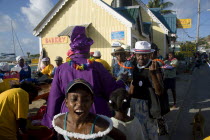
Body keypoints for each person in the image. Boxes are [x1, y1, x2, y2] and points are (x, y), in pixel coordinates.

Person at [42, 26, 127, 128]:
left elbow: (54, 98)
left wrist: (51, 121)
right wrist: (122, 80)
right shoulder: (97, 66)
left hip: (69, 117)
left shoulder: (61, 69)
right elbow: (112, 90)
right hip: (97, 117)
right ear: (88, 48)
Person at [53, 78, 126, 140]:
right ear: (66, 102)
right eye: (74, 99)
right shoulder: (60, 122)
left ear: (91, 102)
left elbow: (122, 137)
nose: (80, 104)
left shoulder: (100, 126)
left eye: (86, 100)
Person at [129, 41, 164, 140]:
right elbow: (133, 84)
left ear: (150, 55)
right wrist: (128, 97)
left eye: (144, 55)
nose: (141, 57)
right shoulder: (135, 66)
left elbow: (159, 91)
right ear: (135, 54)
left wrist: (152, 73)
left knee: (150, 134)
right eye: (139, 55)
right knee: (138, 133)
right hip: (135, 104)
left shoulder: (155, 66)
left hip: (149, 106)